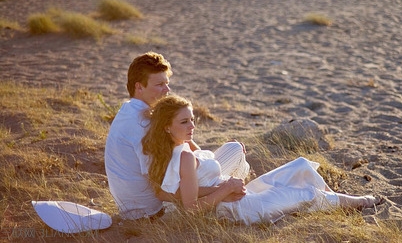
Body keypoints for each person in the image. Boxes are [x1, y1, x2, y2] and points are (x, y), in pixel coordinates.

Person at [143, 94, 380, 224]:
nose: (192, 125)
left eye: (192, 119)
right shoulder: (183, 157)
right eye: (184, 122)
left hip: (240, 196)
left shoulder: (183, 145)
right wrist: (225, 189)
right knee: (308, 193)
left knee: (300, 166)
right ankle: (360, 202)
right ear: (166, 127)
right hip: (242, 210)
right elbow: (191, 208)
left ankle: (333, 204)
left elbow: (189, 189)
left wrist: (224, 186)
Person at [104, 52, 249, 220]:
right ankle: (232, 201)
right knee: (235, 152)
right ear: (139, 87)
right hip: (154, 212)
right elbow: (163, 190)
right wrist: (222, 190)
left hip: (134, 208)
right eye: (159, 84)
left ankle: (234, 191)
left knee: (231, 150)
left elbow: (187, 156)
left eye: (167, 83)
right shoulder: (144, 125)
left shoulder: (129, 110)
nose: (167, 90)